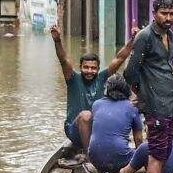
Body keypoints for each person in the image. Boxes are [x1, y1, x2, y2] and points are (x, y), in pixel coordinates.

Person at [124, 0, 173, 173]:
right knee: (155, 155)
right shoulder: (145, 36)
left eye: (172, 13)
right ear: (154, 13)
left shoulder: (169, 35)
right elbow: (130, 73)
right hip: (156, 106)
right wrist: (144, 96)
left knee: (163, 153)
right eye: (164, 13)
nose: (168, 18)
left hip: (170, 104)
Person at [51, 23, 132, 158]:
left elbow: (120, 58)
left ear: (98, 69)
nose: (89, 71)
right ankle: (92, 158)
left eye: (93, 68)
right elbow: (63, 60)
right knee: (86, 115)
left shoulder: (103, 78)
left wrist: (133, 40)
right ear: (80, 67)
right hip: (74, 130)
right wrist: (57, 40)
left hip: (97, 131)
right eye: (86, 67)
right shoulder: (73, 78)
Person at [87, 74, 144, 173]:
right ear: (127, 90)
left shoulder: (96, 104)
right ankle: (128, 172)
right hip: (120, 161)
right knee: (150, 160)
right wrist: (140, 159)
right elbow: (138, 139)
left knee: (102, 142)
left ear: (107, 89)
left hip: (94, 158)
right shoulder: (132, 107)